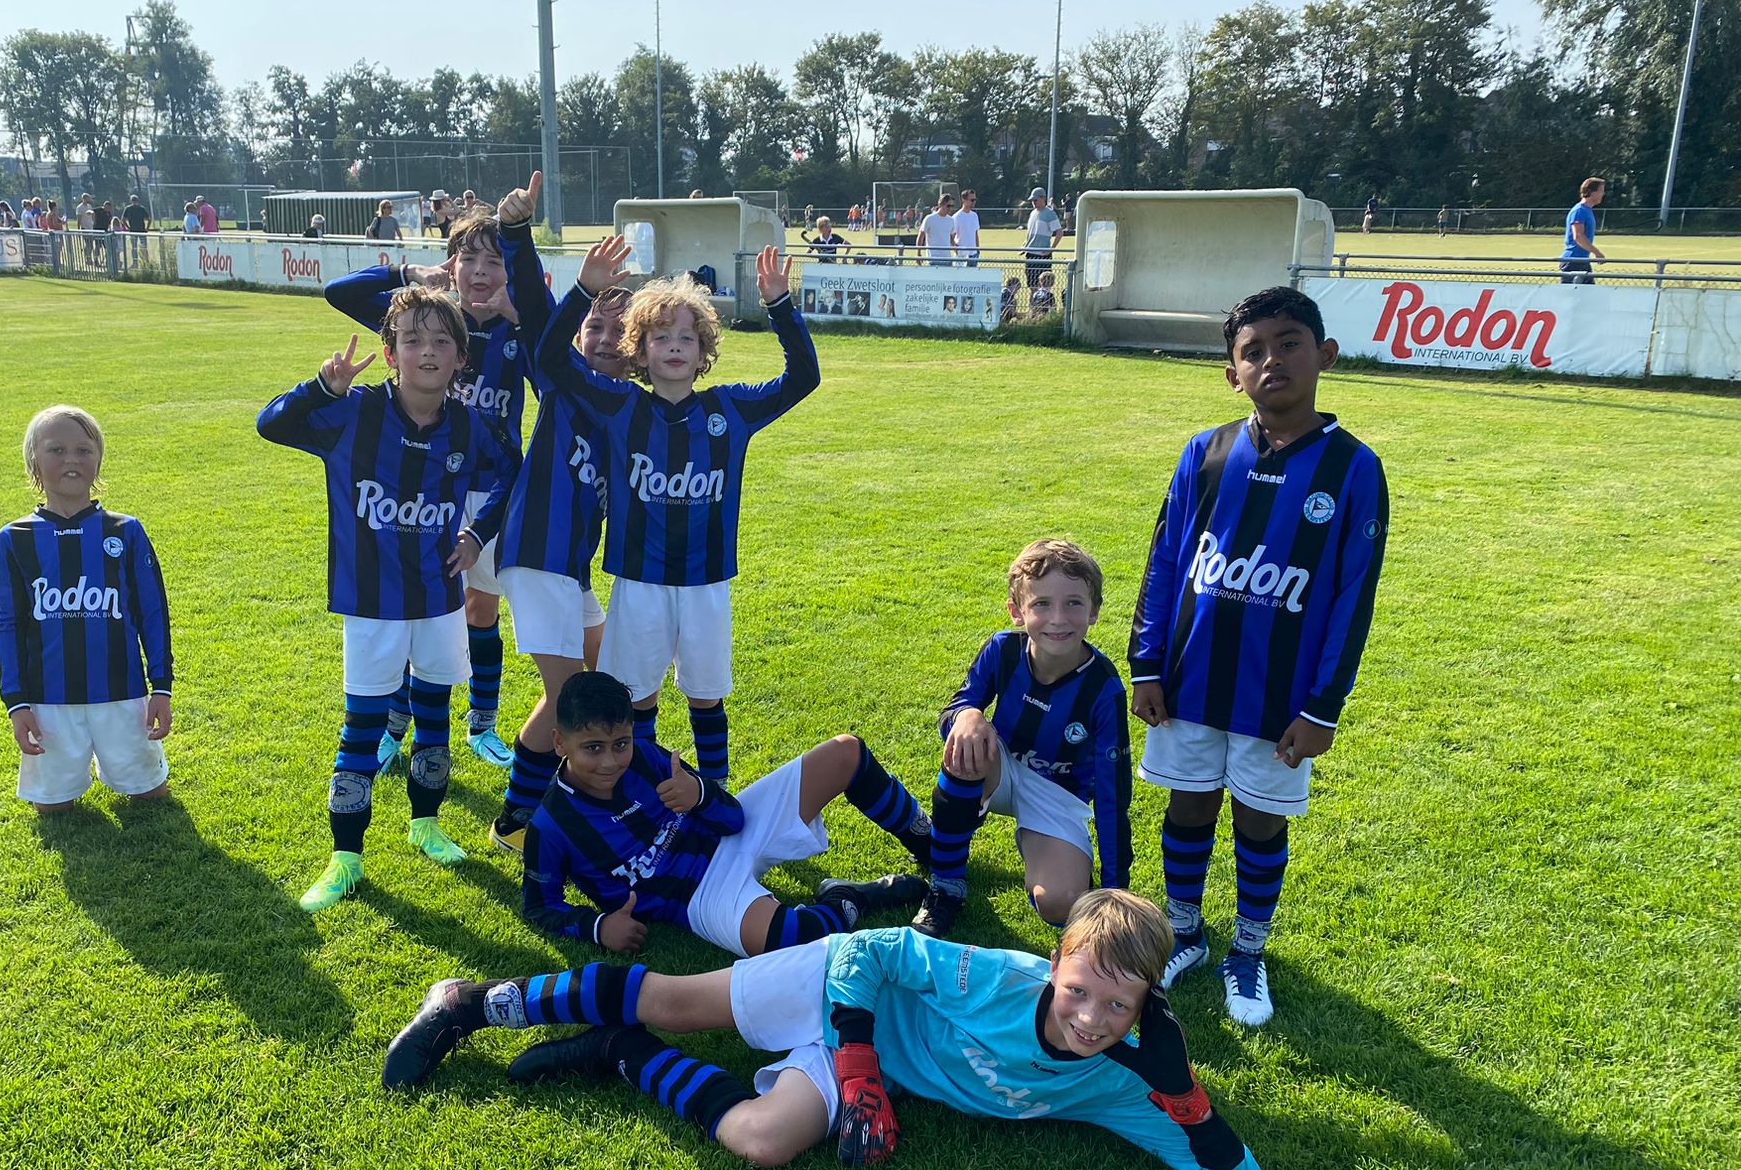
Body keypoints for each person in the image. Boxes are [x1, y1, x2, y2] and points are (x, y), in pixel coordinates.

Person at [381, 887, 1263, 1170]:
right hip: (845, 993)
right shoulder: (1001, 978)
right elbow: (872, 954)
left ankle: (618, 1052)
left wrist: (1184, 1097)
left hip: (870, 1057)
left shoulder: (1125, 1080)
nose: (1091, 1019)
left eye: (1118, 1006)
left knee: (763, 1140)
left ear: (1149, 1007)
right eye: (1077, 991)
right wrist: (860, 1070)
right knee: (679, 1002)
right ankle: (471, 1004)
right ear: (1055, 965)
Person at [1129, 286, 1389, 1028]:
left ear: (1324, 355)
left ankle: (1248, 949)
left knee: (1262, 819)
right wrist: (1146, 664)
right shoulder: (1206, 453)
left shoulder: (1353, 469)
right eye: (1253, 352)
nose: (1272, 360)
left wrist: (1322, 708)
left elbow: (1352, 596)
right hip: (1189, 680)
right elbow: (1166, 560)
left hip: (1281, 697)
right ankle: (1185, 932)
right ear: (1232, 373)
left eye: (1289, 343)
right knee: (1188, 803)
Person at [257, 291, 516, 906]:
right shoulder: (354, 413)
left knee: (433, 714)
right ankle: (345, 858)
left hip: (439, 597)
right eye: (412, 340)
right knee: (363, 723)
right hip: (372, 601)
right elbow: (272, 424)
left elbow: (512, 471)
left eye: (442, 341)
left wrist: (477, 534)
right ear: (391, 354)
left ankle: (425, 823)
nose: (427, 351)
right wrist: (322, 387)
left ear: (460, 359)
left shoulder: (468, 426)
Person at [532, 236, 817, 787]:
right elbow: (549, 358)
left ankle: (714, 792)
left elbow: (803, 378)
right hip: (639, 582)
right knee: (636, 698)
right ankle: (640, 788)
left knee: (706, 697)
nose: (675, 346)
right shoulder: (620, 404)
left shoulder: (730, 409)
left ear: (703, 349)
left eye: (687, 336)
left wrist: (780, 306)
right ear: (639, 350)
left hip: (706, 583)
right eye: (661, 336)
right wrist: (582, 291)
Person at [515, 671, 931, 955]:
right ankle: (851, 897)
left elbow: (733, 818)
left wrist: (697, 794)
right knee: (793, 938)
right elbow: (539, 906)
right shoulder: (550, 825)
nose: (610, 761)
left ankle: (936, 853)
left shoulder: (645, 756)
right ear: (559, 742)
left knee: (846, 753)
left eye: (619, 744)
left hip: (726, 837)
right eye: (593, 748)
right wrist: (599, 927)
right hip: (696, 897)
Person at [325, 209, 528, 772]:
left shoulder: (520, 327)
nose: (481, 271)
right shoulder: (426, 320)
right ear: (451, 264)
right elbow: (340, 292)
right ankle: (394, 725)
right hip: (421, 484)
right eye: (470, 258)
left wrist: (526, 315)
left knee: (478, 607)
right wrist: (411, 272)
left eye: (496, 260)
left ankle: (481, 724)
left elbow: (560, 370)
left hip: (487, 489)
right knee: (408, 602)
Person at [483, 175, 629, 845]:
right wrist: (517, 233)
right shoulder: (562, 379)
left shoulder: (633, 411)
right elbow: (542, 314)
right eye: (595, 323)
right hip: (536, 556)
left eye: (619, 328)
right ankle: (518, 818)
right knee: (569, 698)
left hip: (571, 569)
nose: (603, 335)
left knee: (602, 671)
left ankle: (563, 796)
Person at [915, 539, 1131, 938]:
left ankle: (1060, 863)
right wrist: (966, 715)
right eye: (1042, 604)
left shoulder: (1104, 687)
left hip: (1058, 796)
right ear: (1017, 611)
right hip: (999, 768)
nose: (1058, 619)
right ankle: (946, 886)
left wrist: (1115, 890)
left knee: (1061, 902)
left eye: (1073, 603)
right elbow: (953, 709)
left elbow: (1113, 793)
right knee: (969, 737)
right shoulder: (1003, 650)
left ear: (1094, 610)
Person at [0, 405, 174, 813]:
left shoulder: (125, 531)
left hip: (121, 693)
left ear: (98, 460)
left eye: (83, 450)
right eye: (56, 450)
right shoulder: (15, 539)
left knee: (150, 795)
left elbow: (153, 612)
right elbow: (8, 625)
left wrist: (161, 686)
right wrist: (17, 702)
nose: (71, 459)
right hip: (49, 699)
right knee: (52, 808)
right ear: (33, 461)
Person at [1561, 177, 1606, 285]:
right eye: (1601, 191)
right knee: (1571, 294)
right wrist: (1597, 252)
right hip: (1573, 261)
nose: (1603, 194)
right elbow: (1578, 236)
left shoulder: (1587, 210)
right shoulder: (1579, 211)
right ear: (1591, 192)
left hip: (1582, 260)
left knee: (1589, 293)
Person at [1024, 187, 1061, 283]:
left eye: (1035, 200)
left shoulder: (1050, 213)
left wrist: (1051, 249)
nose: (1033, 202)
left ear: (1043, 198)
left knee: (1044, 284)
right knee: (1031, 284)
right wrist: (1025, 245)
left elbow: (1059, 232)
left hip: (1042, 255)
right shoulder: (1032, 213)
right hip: (1030, 254)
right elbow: (1031, 232)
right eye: (1032, 200)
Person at [915, 194, 955, 265]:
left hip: (948, 259)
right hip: (933, 260)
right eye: (948, 206)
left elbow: (951, 238)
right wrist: (918, 253)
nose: (950, 208)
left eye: (952, 206)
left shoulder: (951, 220)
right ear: (941, 204)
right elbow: (921, 236)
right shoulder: (929, 218)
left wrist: (957, 250)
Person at [952, 188, 981, 266]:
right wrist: (957, 251)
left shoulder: (974, 216)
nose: (974, 202)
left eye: (975, 200)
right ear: (963, 200)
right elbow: (951, 237)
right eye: (972, 200)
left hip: (974, 254)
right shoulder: (956, 217)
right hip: (962, 255)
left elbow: (975, 234)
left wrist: (978, 250)